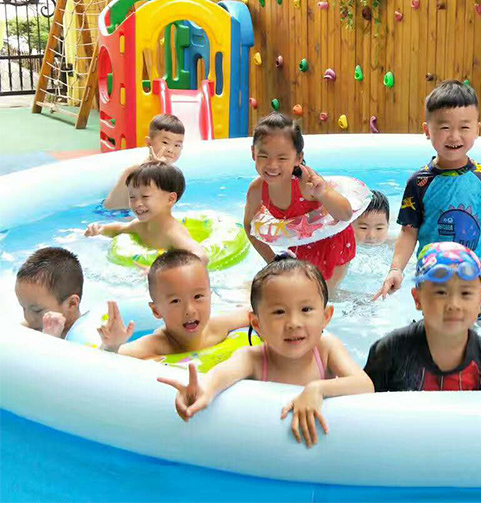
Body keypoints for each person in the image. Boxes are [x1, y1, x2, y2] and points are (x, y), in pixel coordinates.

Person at [157, 256, 373, 447]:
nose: (294, 323)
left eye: (306, 309)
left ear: (326, 316)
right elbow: (220, 374)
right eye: (279, 312)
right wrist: (202, 389)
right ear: (256, 323)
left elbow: (365, 385)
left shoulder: (326, 348)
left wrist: (317, 389)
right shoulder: (253, 358)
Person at [373, 80, 481, 315]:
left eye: (464, 127)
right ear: (427, 130)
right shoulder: (419, 183)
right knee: (434, 332)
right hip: (434, 283)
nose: (454, 136)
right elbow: (409, 231)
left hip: (474, 284)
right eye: (445, 127)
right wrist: (396, 269)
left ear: (477, 129)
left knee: (476, 333)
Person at [365, 242, 481, 392]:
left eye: (465, 293)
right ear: (417, 299)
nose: (453, 304)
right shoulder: (390, 351)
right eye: (441, 293)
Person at [243, 113, 355, 292]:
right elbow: (249, 226)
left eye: (282, 158)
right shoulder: (257, 190)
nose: (272, 165)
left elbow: (346, 214)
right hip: (300, 243)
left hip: (332, 243)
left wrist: (323, 193)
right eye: (264, 156)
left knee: (323, 294)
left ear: (298, 158)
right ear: (253, 153)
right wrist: (273, 262)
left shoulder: (307, 183)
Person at [97, 249, 249, 358]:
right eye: (175, 301)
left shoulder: (218, 327)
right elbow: (105, 362)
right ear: (156, 311)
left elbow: (253, 313)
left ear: (210, 297)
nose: (189, 310)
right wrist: (112, 345)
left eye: (198, 296)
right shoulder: (156, 345)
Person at [84, 161, 208, 265]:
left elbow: (201, 256)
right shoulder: (140, 225)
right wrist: (100, 229)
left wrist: (165, 271)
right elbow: (119, 229)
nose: (137, 203)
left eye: (145, 196)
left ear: (170, 199)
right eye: (132, 197)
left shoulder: (172, 233)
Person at [104, 114, 185, 211]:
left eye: (177, 145)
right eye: (165, 143)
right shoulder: (134, 172)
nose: (171, 150)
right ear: (149, 143)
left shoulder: (169, 174)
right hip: (116, 215)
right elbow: (110, 207)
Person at [15, 247, 84, 338]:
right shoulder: (31, 326)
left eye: (37, 311)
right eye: (23, 308)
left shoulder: (86, 335)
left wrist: (50, 339)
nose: (28, 318)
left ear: (72, 304)